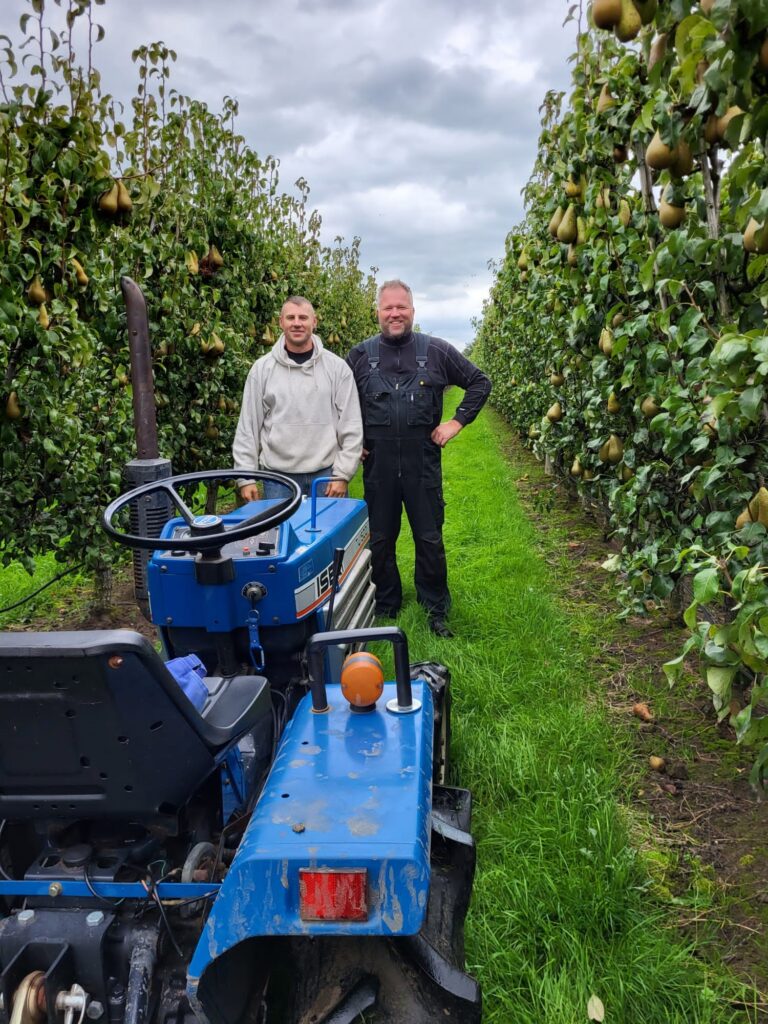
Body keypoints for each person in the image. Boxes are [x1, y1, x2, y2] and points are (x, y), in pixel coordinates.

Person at [346, 280, 491, 638]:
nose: (395, 314)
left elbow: (479, 382)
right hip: (378, 466)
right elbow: (337, 402)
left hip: (422, 464)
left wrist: (455, 423)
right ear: (377, 312)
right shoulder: (360, 356)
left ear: (413, 311)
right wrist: (349, 442)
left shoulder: (436, 351)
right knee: (380, 539)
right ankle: (386, 602)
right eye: (388, 308)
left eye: (402, 308)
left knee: (429, 538)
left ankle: (435, 606)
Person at [233, 296, 362, 501]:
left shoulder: (337, 368)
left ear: (314, 322)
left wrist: (343, 474)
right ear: (281, 322)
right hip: (278, 478)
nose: (297, 323)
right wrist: (245, 477)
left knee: (328, 532)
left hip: (326, 476)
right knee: (284, 533)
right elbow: (248, 425)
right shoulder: (262, 369)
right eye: (291, 317)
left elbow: (352, 424)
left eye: (303, 317)